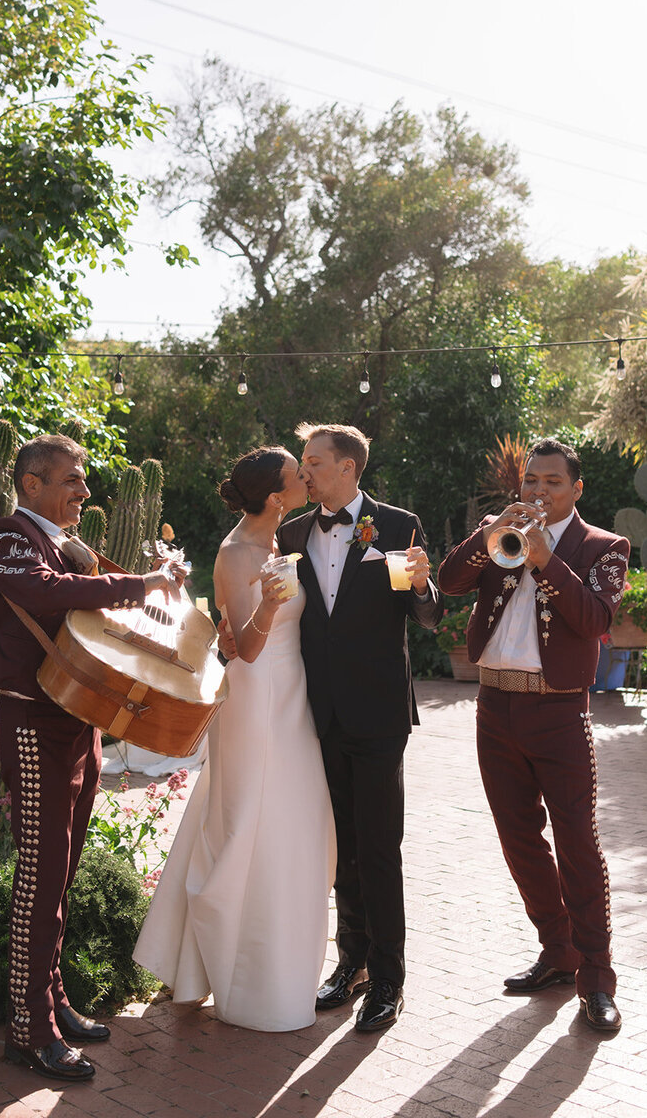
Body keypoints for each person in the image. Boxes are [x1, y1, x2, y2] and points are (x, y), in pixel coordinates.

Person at [0, 434, 181, 1082]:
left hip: (76, 718)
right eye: (72, 480)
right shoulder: (8, 537)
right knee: (40, 877)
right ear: (31, 483)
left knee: (59, 874)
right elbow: (44, 592)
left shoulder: (70, 544)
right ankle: (28, 1030)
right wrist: (140, 583)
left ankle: (54, 1002)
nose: (84, 492)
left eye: (84, 479)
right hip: (35, 723)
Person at [133, 447, 335, 1031]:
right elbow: (243, 648)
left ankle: (242, 964)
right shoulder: (236, 552)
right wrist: (271, 606)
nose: (305, 478)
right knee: (256, 823)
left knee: (292, 824)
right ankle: (248, 976)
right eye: (298, 476)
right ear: (277, 497)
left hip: (291, 694)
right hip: (257, 700)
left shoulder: (275, 542)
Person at [437, 437, 629, 1033]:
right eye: (530, 481)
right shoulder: (501, 531)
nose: (538, 491)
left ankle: (596, 977)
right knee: (518, 837)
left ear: (576, 489)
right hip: (494, 706)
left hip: (558, 712)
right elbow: (447, 582)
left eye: (551, 482)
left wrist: (547, 558)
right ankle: (557, 949)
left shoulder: (604, 547)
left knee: (576, 840)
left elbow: (596, 620)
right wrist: (489, 533)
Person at [277, 423, 443, 1032]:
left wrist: (424, 583)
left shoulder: (396, 527)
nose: (304, 471)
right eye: (303, 462)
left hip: (377, 715)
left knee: (378, 847)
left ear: (349, 468)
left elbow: (426, 615)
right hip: (318, 713)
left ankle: (389, 979)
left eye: (314, 462)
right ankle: (351, 966)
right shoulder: (292, 532)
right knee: (342, 844)